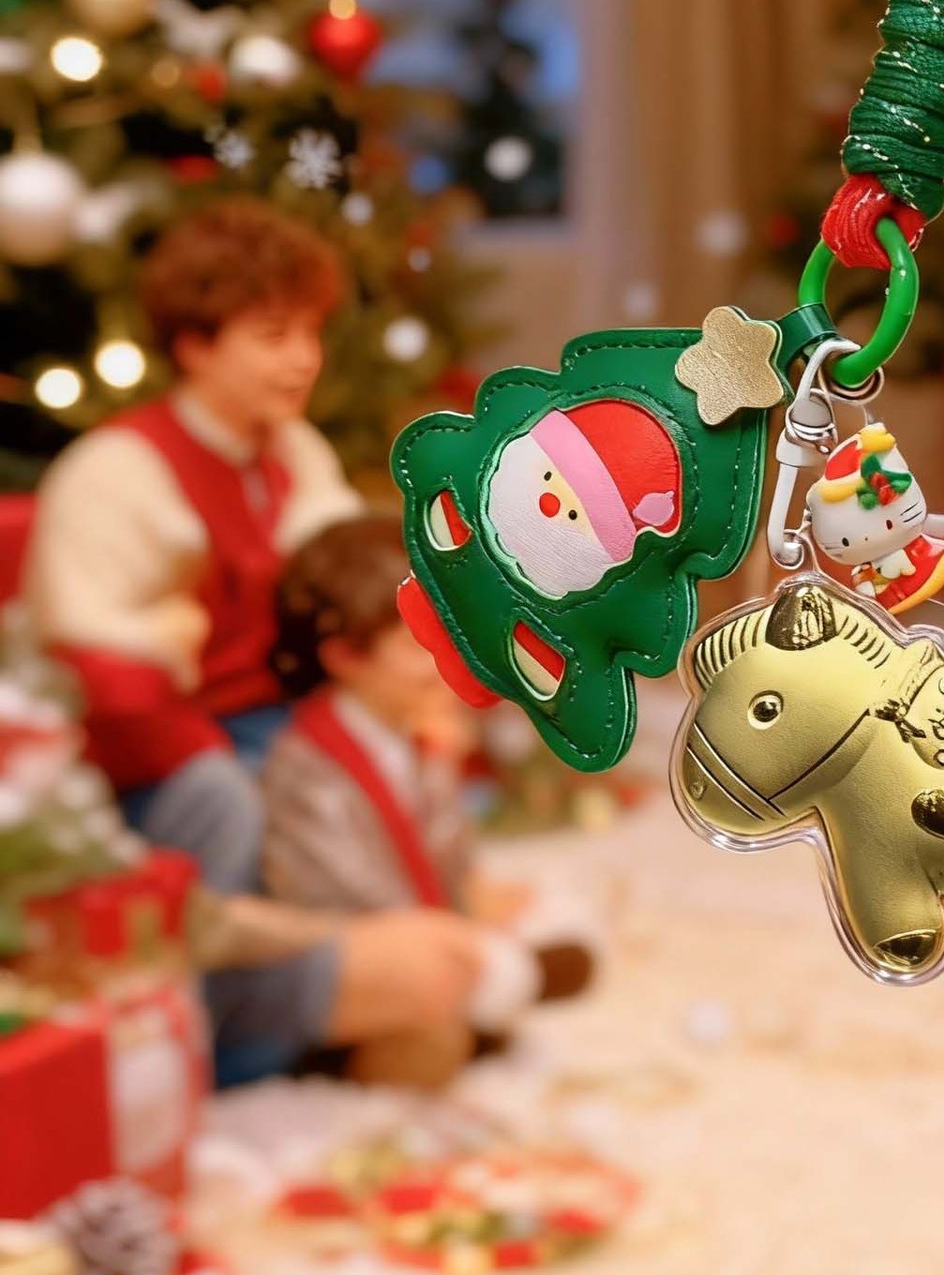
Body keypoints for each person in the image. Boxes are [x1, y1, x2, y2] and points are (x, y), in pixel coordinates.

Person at [27, 199, 488, 1084]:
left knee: (377, 758)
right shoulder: (118, 473)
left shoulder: (292, 455)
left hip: (267, 716)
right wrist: (235, 753)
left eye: (310, 333)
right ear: (196, 345)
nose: (304, 359)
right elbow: (99, 677)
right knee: (230, 801)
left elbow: (349, 592)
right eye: (273, 336)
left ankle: (406, 955)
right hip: (157, 757)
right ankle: (226, 1035)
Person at [262, 516, 594, 1077]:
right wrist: (458, 937)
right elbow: (347, 893)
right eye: (417, 647)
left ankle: (494, 988)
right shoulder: (305, 769)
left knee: (553, 929)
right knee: (430, 1040)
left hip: (437, 931)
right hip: (367, 961)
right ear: (345, 658)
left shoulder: (414, 736)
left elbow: (447, 855)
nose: (442, 664)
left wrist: (478, 900)